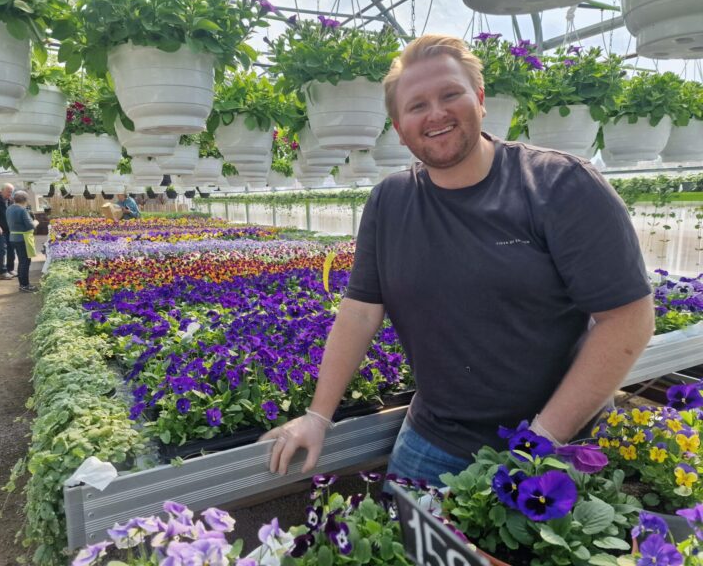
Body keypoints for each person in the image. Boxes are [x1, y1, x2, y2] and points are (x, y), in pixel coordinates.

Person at [260, 34, 655, 486]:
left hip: (558, 445)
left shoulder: (558, 185)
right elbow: (360, 311)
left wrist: (540, 442)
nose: (436, 114)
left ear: (480, 99)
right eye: (417, 105)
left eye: (451, 94)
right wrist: (317, 415)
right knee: (408, 549)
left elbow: (628, 319)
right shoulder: (389, 202)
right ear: (398, 124)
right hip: (434, 442)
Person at [6, 191, 39, 293]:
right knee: (25, 262)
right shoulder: (22, 210)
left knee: (21, 261)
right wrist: (36, 222)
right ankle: (25, 285)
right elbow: (30, 225)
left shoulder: (9, 208)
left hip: (13, 237)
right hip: (22, 238)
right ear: (25, 200)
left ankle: (22, 285)